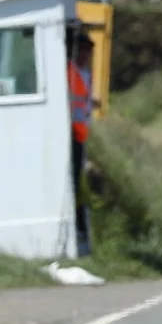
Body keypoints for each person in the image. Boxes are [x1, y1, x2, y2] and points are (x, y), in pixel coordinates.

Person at [68, 30, 95, 257]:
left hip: (80, 135)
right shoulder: (72, 72)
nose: (88, 56)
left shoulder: (85, 73)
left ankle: (81, 229)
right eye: (85, 52)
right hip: (71, 136)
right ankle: (77, 229)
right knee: (74, 183)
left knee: (79, 183)